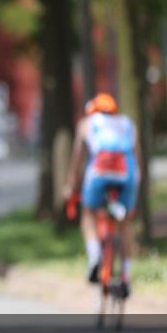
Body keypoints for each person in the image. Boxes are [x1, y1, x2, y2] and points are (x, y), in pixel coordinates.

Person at [63, 92, 141, 298]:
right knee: (125, 223)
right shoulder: (128, 123)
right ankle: (126, 276)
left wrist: (71, 185)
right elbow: (137, 156)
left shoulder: (87, 123)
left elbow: (78, 159)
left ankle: (95, 256)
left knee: (88, 214)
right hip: (127, 173)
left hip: (99, 172)